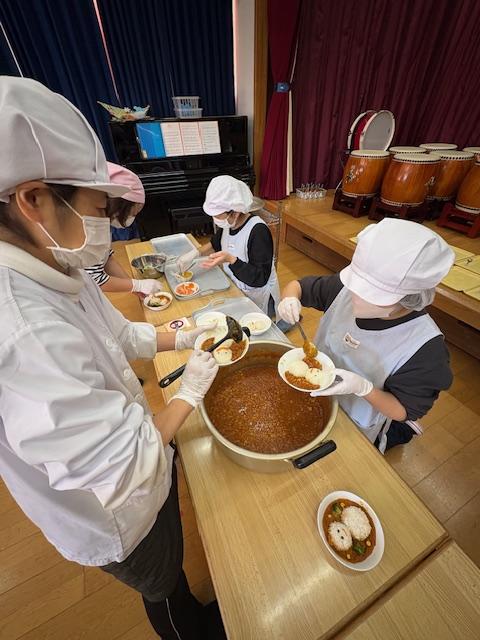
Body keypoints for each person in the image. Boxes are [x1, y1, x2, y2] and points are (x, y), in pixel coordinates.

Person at [0, 77, 222, 640]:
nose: (106, 225)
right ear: (33, 200)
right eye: (99, 208)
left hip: (138, 458)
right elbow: (127, 464)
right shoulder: (22, 329)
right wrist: (190, 391)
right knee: (163, 582)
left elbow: (119, 335)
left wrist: (184, 335)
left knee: (172, 551)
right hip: (114, 511)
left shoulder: (56, 262)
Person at [277, 218, 455, 452]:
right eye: (357, 285)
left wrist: (363, 388)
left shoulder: (425, 350)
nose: (355, 296)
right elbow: (298, 286)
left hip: (356, 418)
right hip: (313, 393)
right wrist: (289, 298)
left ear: (408, 298)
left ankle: (400, 434)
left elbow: (403, 410)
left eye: (372, 294)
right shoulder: (343, 289)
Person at [176, 175, 281, 319]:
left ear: (235, 212)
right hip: (236, 286)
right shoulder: (229, 224)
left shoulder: (258, 231)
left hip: (256, 293)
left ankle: (280, 318)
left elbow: (260, 278)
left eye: (217, 215)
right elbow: (215, 244)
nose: (214, 219)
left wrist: (231, 260)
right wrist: (194, 254)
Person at [85, 162, 163, 297]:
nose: (132, 218)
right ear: (119, 206)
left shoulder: (104, 223)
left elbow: (106, 258)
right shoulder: (89, 227)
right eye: (133, 213)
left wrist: (134, 287)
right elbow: (95, 278)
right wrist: (136, 285)